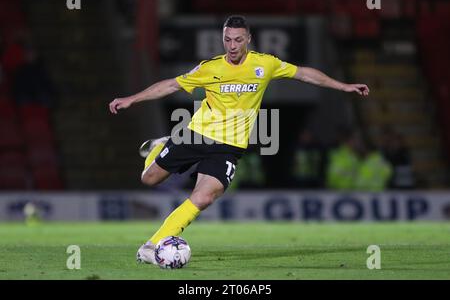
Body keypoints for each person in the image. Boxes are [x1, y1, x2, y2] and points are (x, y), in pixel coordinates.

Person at [108, 15, 369, 265]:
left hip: (228, 147)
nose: (232, 46)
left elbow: (303, 73)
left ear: (248, 39)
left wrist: (343, 86)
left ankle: (151, 246)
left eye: (238, 40)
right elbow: (171, 85)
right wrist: (132, 98)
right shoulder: (210, 68)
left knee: (205, 197)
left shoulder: (264, 64)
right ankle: (162, 145)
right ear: (223, 39)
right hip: (196, 135)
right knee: (149, 179)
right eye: (228, 39)